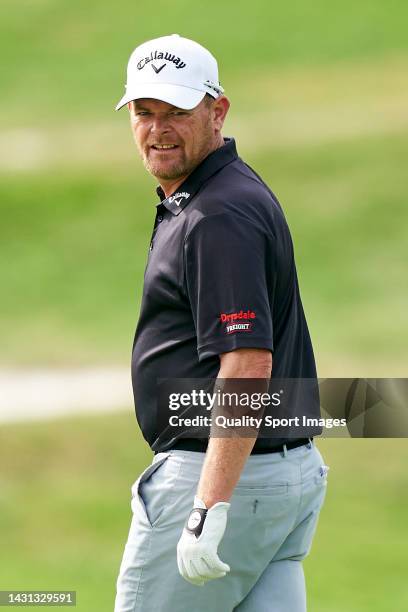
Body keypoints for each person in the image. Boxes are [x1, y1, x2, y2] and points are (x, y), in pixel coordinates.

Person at [114, 34, 328, 612]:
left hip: (224, 479)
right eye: (144, 112)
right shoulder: (223, 193)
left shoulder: (217, 214)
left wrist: (209, 506)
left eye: (177, 112)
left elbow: (247, 360)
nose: (158, 129)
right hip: (282, 474)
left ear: (217, 110)